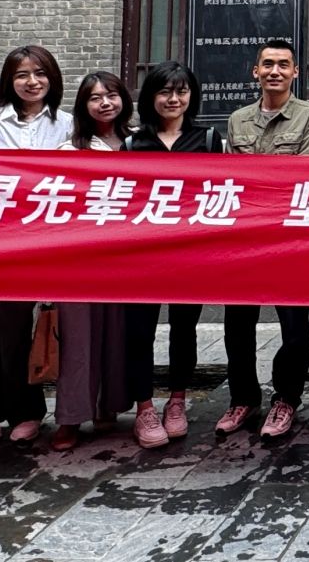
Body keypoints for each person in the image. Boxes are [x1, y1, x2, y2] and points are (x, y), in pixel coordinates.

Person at [0, 45, 71, 450]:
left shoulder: (67, 124)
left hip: (50, 241)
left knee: (30, 326)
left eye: (40, 73)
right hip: (1, 242)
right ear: (9, 81)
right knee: (12, 327)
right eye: (22, 74)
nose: (32, 82)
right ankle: (25, 410)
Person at [222, 38, 309, 441]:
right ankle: (243, 398)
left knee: (294, 326)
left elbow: (305, 175)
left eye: (284, 64)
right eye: (268, 64)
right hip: (244, 239)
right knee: (238, 324)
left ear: (295, 72)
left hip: (290, 238)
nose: (275, 71)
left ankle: (286, 398)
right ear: (256, 71)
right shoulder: (238, 120)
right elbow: (233, 179)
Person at [124, 62, 222, 449]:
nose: (173, 99)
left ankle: (177, 401)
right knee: (139, 332)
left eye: (181, 91)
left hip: (190, 254)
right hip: (142, 255)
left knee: (184, 329)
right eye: (165, 91)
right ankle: (144, 407)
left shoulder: (208, 139)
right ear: (151, 97)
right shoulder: (133, 144)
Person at [50, 72, 136, 452]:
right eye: (95, 97)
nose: (105, 103)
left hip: (126, 256)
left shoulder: (138, 143)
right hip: (79, 257)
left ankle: (108, 406)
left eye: (112, 95)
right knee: (77, 338)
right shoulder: (70, 150)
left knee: (117, 332)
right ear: (83, 106)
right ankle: (70, 417)